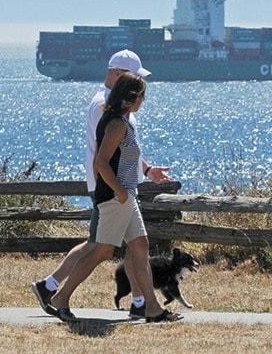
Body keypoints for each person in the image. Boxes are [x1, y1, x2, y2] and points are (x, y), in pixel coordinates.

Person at [31, 50, 171, 320]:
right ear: (120, 76)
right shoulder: (105, 109)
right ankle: (54, 292)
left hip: (124, 191)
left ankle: (147, 305)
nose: (144, 98)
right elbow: (103, 156)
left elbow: (128, 151)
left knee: (136, 246)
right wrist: (117, 191)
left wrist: (147, 170)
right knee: (99, 248)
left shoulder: (121, 111)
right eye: (140, 89)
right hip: (112, 190)